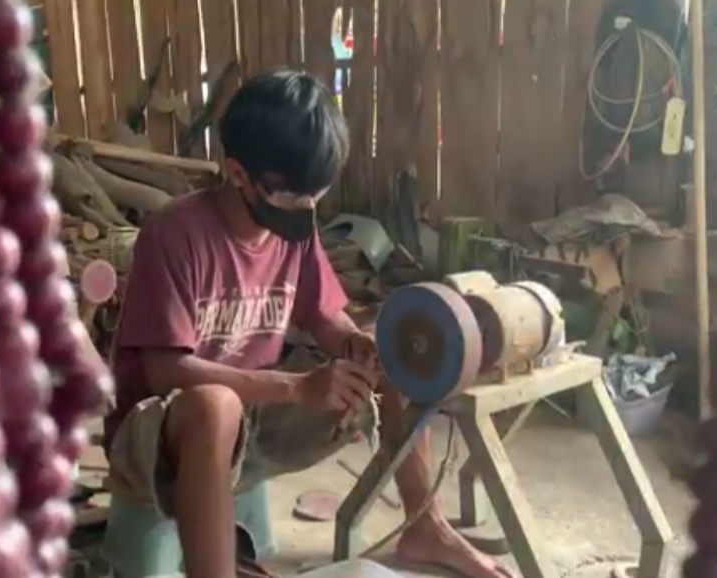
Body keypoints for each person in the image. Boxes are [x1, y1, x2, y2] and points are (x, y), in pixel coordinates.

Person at [104, 68, 514, 578]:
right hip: (163, 432)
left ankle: (424, 527)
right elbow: (165, 373)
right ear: (237, 174)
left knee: (390, 358)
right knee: (216, 406)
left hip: (254, 416)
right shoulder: (173, 235)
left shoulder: (294, 226)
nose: (308, 210)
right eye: (294, 197)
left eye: (315, 196)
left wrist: (353, 343)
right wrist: (296, 388)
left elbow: (323, 315)